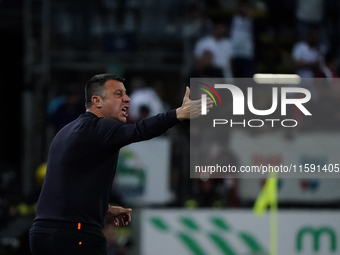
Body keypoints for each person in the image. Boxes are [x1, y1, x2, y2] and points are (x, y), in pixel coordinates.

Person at [29, 73, 212, 255]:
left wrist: (105, 209)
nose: (127, 99)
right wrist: (177, 114)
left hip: (41, 233)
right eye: (118, 94)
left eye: (125, 93)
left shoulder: (65, 132)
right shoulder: (100, 127)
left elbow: (67, 190)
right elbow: (140, 130)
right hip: (75, 235)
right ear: (97, 101)